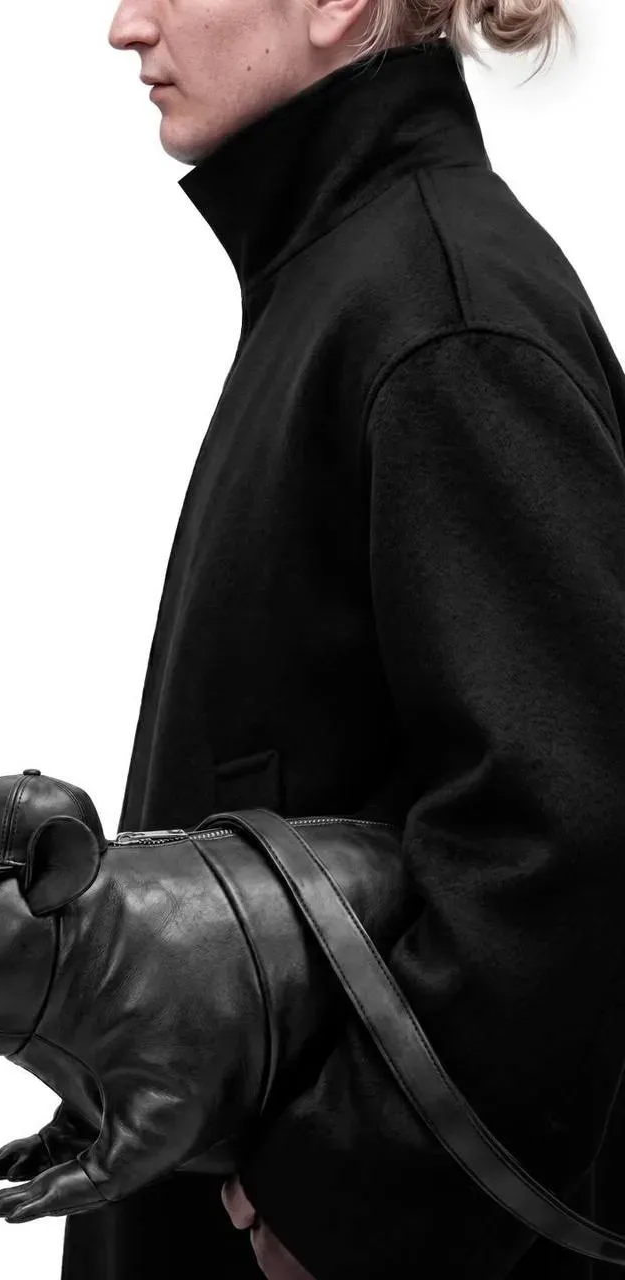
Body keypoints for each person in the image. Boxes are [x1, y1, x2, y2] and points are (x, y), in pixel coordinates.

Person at [59, 1, 625, 1277]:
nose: (125, 24)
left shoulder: (438, 311)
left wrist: (350, 1192)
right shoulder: (347, 291)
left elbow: (575, 834)